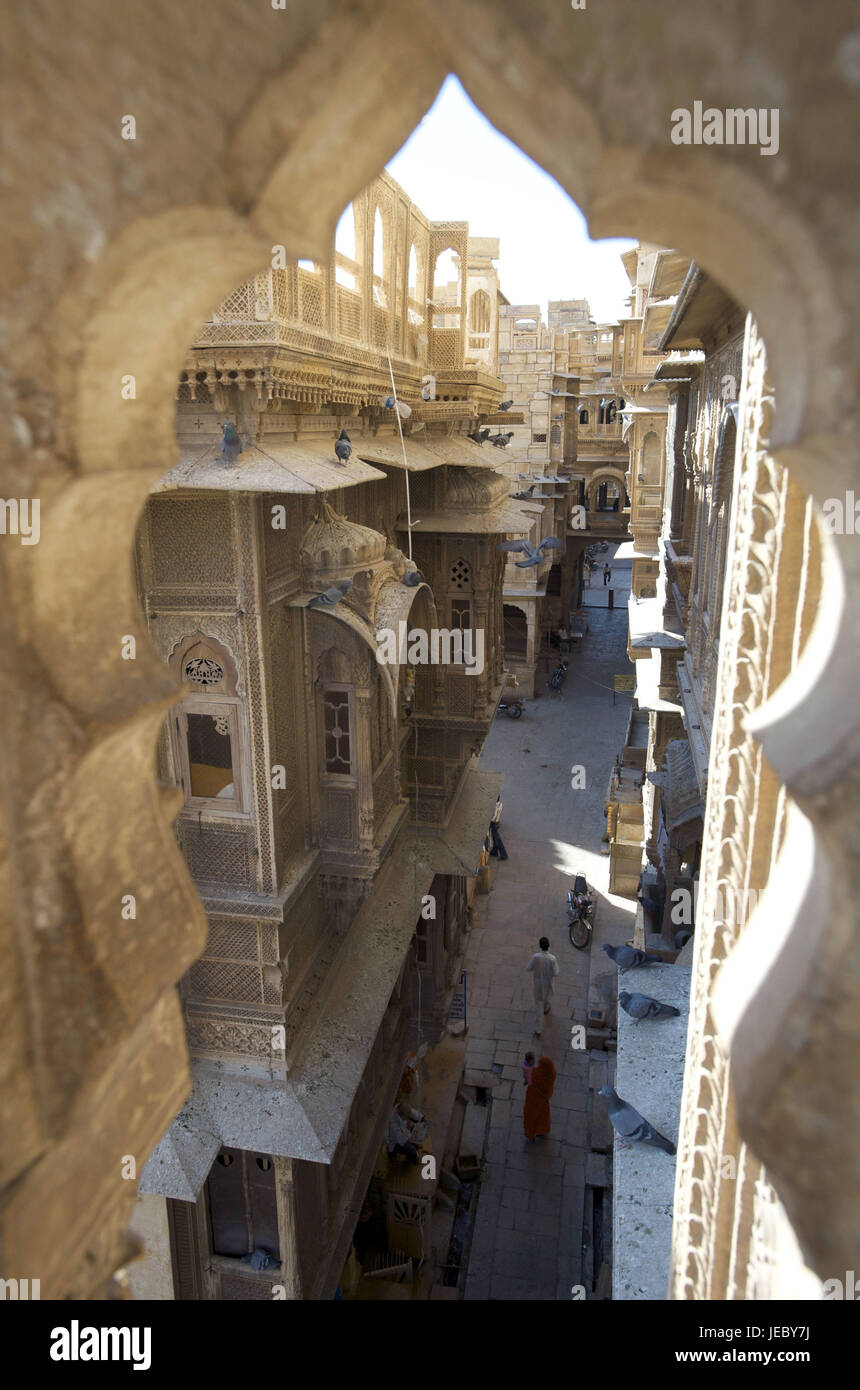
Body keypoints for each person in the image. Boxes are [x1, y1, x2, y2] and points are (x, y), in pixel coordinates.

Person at [526, 936, 560, 1037]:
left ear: (540, 946)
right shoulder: (552, 959)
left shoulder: (535, 957)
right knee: (546, 999)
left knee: (538, 1006)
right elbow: (556, 972)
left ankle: (538, 1029)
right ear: (548, 946)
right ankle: (546, 1008)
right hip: (548, 985)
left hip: (538, 986)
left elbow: (528, 968)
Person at [523, 1055, 557, 1142]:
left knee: (531, 1117)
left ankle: (531, 1134)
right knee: (543, 1116)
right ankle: (542, 1130)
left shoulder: (535, 1073)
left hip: (532, 1100)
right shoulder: (551, 1074)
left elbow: (528, 1079)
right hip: (543, 1101)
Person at [488, 795, 508, 860]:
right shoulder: (500, 804)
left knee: (497, 839)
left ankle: (504, 855)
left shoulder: (495, 806)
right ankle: (494, 852)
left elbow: (493, 817)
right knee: (494, 838)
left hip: (493, 823)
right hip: (497, 822)